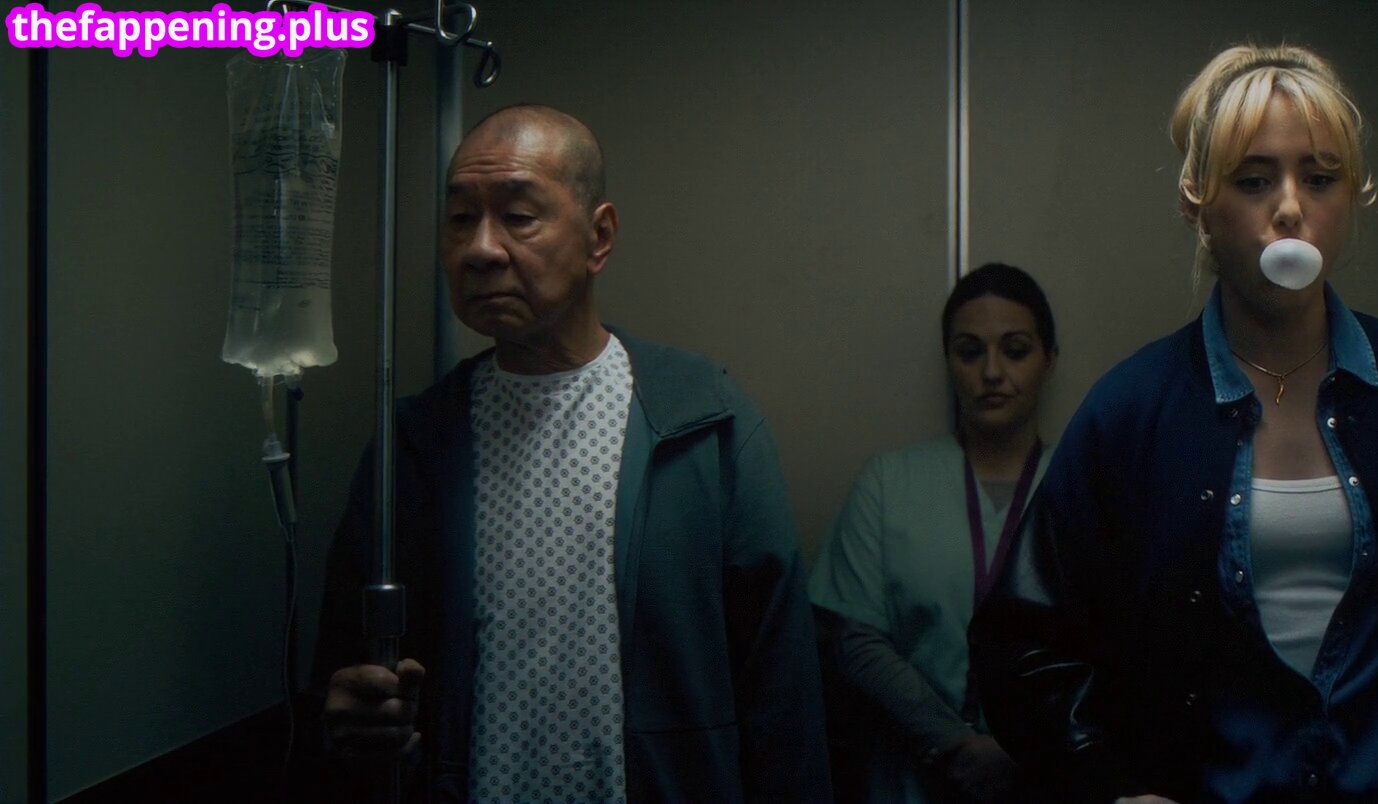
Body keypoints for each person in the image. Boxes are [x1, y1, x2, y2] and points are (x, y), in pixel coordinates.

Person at [968, 44, 1378, 803]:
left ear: (1352, 197)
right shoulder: (1130, 412)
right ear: (1197, 203)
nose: (1290, 208)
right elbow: (1022, 642)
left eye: (1319, 178)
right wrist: (1106, 783)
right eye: (1254, 180)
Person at [307, 104, 832, 803]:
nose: (481, 249)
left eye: (518, 216)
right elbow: (343, 671)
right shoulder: (414, 444)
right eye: (460, 218)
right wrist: (353, 718)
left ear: (599, 236)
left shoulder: (704, 424)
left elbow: (782, 688)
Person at [810, 264, 1060, 803]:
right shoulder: (889, 483)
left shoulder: (1089, 488)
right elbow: (854, 640)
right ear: (949, 361)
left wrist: (1023, 754)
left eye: (1015, 350)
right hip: (912, 782)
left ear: (1049, 359)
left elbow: (1114, 650)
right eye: (970, 352)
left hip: (1049, 780)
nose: (992, 372)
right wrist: (955, 745)